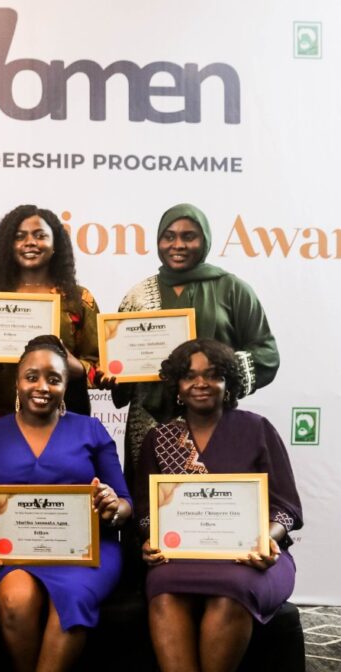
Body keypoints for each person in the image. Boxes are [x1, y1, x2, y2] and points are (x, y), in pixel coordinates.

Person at [135, 339, 302, 672]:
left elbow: (286, 508)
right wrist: (149, 537)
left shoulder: (257, 429)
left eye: (213, 374)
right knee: (161, 585)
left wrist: (268, 538)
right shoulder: (160, 440)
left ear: (229, 383)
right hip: (184, 556)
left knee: (231, 590)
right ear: (175, 385)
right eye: (190, 375)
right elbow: (146, 511)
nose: (201, 383)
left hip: (253, 555)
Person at [0, 335, 131, 672]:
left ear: (67, 386)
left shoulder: (90, 429)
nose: (42, 387)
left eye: (54, 379)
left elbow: (125, 503)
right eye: (32, 377)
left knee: (73, 599)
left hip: (87, 550)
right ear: (17, 381)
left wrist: (113, 503)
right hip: (18, 551)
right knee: (13, 599)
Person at [113, 203, 279, 476]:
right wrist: (115, 375)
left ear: (204, 241)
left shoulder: (232, 289)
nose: (178, 244)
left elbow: (266, 353)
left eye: (189, 236)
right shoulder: (138, 296)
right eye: (169, 236)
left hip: (213, 418)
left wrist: (216, 374)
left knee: (207, 504)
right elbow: (122, 366)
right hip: (148, 421)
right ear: (158, 241)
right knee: (151, 504)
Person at [0, 205, 103, 430]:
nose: (30, 242)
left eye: (40, 236)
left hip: (59, 420)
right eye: (19, 237)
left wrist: (76, 367)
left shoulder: (78, 300)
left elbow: (100, 365)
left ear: (55, 246)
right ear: (8, 247)